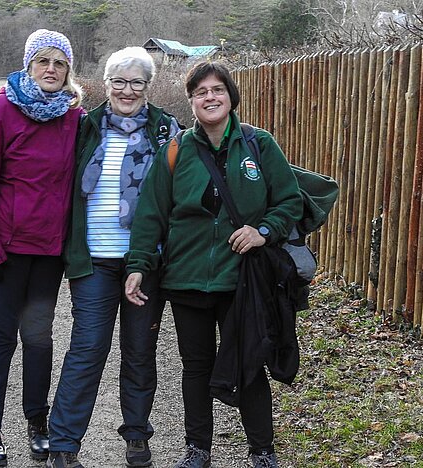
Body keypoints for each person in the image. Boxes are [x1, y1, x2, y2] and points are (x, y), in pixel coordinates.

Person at [125, 61, 302, 468]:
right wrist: (138, 264)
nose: (210, 97)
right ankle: (198, 448)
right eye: (201, 91)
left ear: (230, 96)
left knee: (250, 364)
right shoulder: (175, 150)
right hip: (186, 279)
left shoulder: (259, 144)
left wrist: (264, 230)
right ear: (191, 101)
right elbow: (151, 213)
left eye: (217, 89)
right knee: (196, 367)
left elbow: (289, 201)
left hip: (242, 280)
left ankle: (262, 451)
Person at [46, 46, 181, 468]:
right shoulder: (84, 127)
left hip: (145, 260)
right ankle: (64, 445)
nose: (127, 90)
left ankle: (137, 436)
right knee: (87, 349)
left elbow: (176, 195)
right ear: (105, 84)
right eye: (118, 81)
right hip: (94, 262)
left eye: (136, 82)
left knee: (140, 350)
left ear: (148, 86)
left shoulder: (166, 130)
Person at [0, 29, 83, 467]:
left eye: (59, 63)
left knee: (38, 338)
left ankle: (38, 423)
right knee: (0, 336)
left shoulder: (74, 118)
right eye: (43, 62)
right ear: (28, 66)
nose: (51, 70)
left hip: (49, 252)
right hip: (5, 251)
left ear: (69, 70)